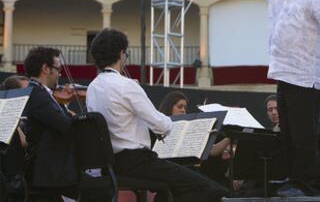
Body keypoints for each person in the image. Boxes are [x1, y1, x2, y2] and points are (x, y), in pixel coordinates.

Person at [196, 0, 320, 197]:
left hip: (303, 74)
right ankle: (294, 180)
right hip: (283, 72)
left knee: (303, 136)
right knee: (287, 134)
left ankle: (310, 185)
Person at [86, 28, 228, 202]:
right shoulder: (127, 86)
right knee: (209, 188)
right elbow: (163, 126)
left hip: (111, 163)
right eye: (126, 54)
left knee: (175, 189)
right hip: (137, 161)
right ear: (121, 53)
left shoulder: (92, 88)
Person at [21, 47, 78, 201]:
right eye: (58, 69)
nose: (60, 74)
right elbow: (64, 125)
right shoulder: (37, 94)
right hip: (46, 171)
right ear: (46, 69)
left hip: (49, 168)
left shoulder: (41, 92)